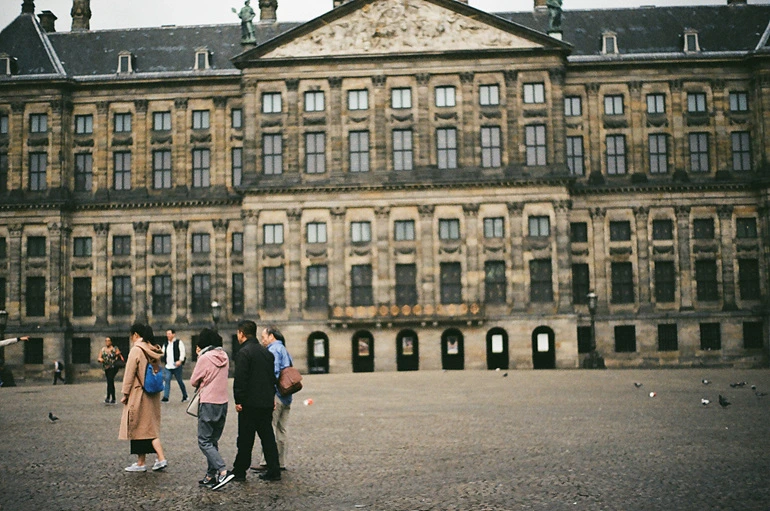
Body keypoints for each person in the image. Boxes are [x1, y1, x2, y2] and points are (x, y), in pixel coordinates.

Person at [229, 320, 281, 482]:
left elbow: (240, 379)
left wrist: (238, 399)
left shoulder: (244, 353)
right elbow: (272, 379)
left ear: (242, 333)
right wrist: (272, 397)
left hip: (249, 403)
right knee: (268, 438)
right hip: (265, 402)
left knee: (245, 439)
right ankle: (274, 469)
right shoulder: (267, 353)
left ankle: (240, 471)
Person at [119, 323, 168, 473]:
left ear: (135, 334)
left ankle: (159, 458)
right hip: (152, 394)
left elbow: (129, 373)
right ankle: (142, 462)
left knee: (138, 427)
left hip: (138, 393)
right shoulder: (154, 350)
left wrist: (125, 393)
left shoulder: (136, 350)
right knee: (146, 428)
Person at [190, 328, 234, 490]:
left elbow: (194, 381)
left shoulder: (205, 358)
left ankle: (222, 471)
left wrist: (199, 356)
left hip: (208, 401)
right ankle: (210, 475)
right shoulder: (225, 356)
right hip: (222, 402)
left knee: (204, 441)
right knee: (212, 440)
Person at [253, 326, 292, 473]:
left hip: (276, 394)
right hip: (287, 395)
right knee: (282, 429)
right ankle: (281, 462)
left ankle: (267, 461)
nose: (262, 340)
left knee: (268, 428)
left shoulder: (273, 350)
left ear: (271, 336)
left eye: (264, 337)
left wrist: (268, 393)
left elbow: (273, 373)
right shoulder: (284, 349)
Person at [161, 329, 188, 403]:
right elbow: (162, 352)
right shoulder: (165, 344)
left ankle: (185, 395)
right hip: (168, 366)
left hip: (176, 366)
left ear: (173, 334)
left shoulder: (178, 342)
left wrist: (180, 360)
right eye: (167, 334)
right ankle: (166, 397)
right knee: (167, 380)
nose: (168, 335)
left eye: (169, 334)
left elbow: (182, 352)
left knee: (180, 381)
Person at [98, 337, 123, 404]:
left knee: (110, 380)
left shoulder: (114, 348)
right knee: (109, 382)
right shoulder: (103, 349)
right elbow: (99, 357)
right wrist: (100, 360)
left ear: (111, 342)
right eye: (106, 341)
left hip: (113, 367)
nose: (107, 342)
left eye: (108, 341)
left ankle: (111, 397)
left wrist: (116, 354)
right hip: (106, 368)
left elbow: (119, 355)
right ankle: (109, 397)